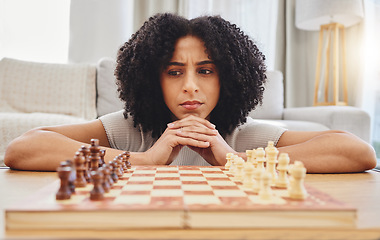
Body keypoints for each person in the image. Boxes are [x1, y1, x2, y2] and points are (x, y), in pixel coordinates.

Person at [4, 13, 376, 173]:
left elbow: (357, 150)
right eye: (174, 71)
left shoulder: (242, 136)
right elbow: (24, 148)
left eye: (206, 70)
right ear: (153, 79)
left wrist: (235, 159)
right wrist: (145, 160)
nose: (190, 86)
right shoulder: (125, 130)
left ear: (227, 78)